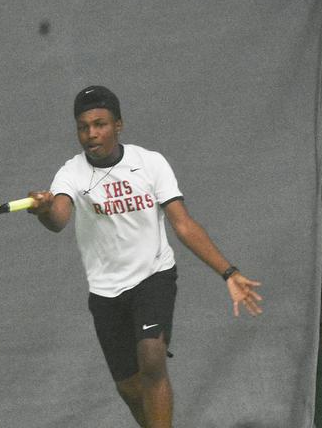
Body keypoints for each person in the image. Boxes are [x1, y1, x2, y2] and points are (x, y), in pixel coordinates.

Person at [27, 85, 262, 428]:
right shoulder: (71, 173)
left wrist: (229, 272)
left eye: (100, 124)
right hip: (106, 291)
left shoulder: (150, 164)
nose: (91, 133)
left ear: (118, 125)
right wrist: (46, 209)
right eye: (83, 126)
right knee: (129, 386)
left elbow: (183, 225)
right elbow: (59, 219)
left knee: (152, 357)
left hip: (153, 277)